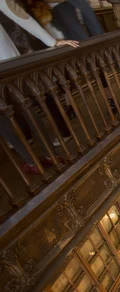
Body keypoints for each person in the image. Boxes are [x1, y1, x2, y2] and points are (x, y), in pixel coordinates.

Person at [0, 0, 78, 174]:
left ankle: (32, 161)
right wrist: (51, 41)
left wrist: (51, 42)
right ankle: (50, 155)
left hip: (7, 61)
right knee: (25, 108)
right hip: (8, 61)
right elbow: (18, 14)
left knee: (5, 118)